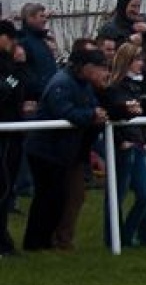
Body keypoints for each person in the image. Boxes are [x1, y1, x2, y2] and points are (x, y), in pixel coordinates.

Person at [22, 48, 109, 251]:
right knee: (47, 197)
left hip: (62, 150)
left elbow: (91, 106)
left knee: (58, 197)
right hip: (45, 150)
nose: (104, 73)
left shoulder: (83, 85)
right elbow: (64, 112)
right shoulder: (61, 83)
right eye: (101, 68)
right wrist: (91, 115)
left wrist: (95, 112)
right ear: (87, 67)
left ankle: (47, 241)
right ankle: (36, 242)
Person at [0, 20, 28, 255]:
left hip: (13, 132)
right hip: (4, 134)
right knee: (3, 186)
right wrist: (15, 74)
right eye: (9, 38)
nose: (14, 43)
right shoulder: (6, 67)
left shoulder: (10, 64)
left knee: (7, 187)